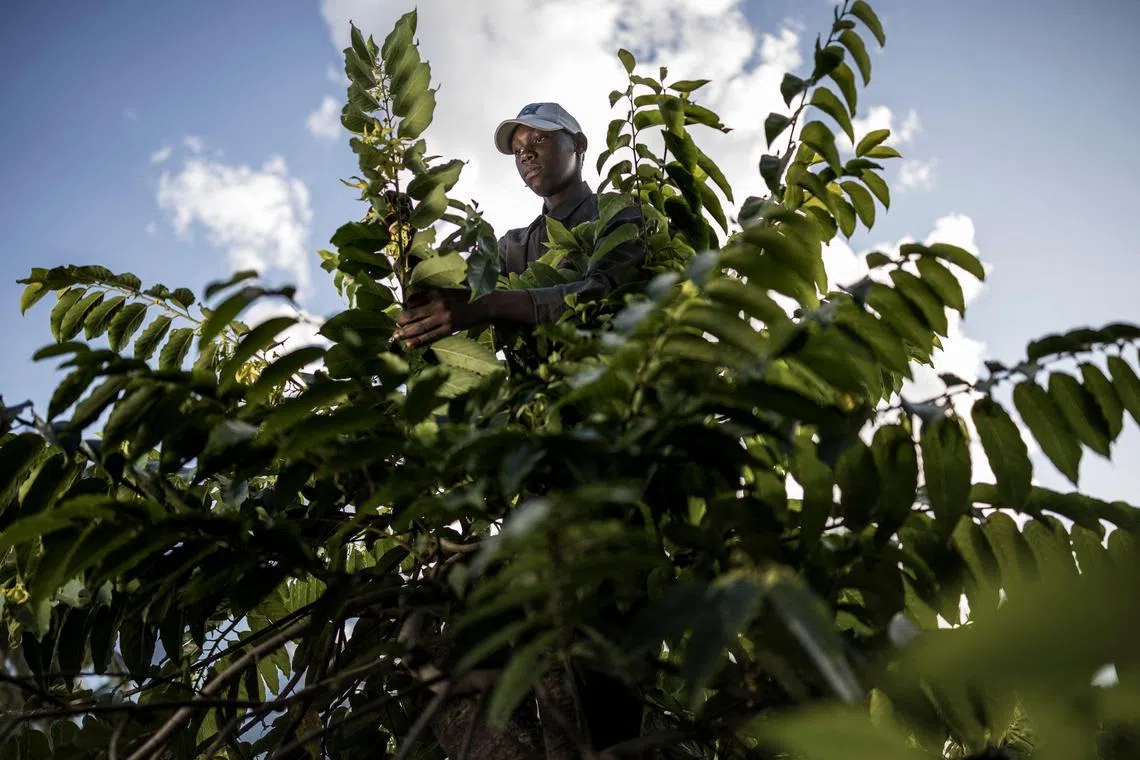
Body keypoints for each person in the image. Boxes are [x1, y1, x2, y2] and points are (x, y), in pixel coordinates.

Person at [392, 102, 644, 349]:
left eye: (540, 139)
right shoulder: (512, 247)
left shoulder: (619, 210)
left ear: (579, 144)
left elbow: (609, 294)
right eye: (517, 150)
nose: (526, 154)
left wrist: (490, 305)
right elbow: (448, 297)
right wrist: (406, 243)